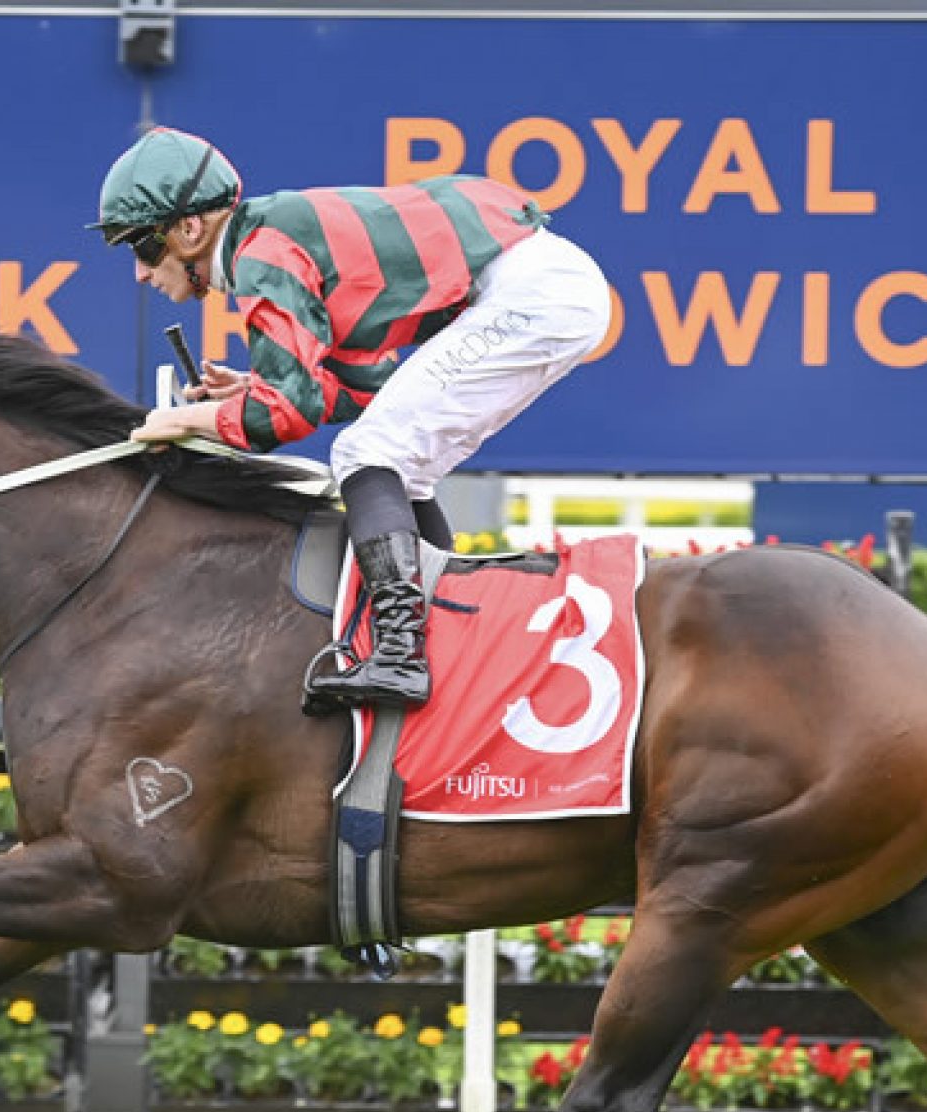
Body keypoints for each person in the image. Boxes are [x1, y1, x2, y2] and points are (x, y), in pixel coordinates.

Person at [93, 127, 611, 712]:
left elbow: (282, 417)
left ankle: (401, 654)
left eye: (141, 248)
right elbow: (362, 387)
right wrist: (250, 392)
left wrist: (185, 421)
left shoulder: (262, 253)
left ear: (190, 229)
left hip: (533, 293)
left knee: (368, 455)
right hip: (545, 288)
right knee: (397, 464)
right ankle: (439, 638)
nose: (140, 273)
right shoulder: (272, 240)